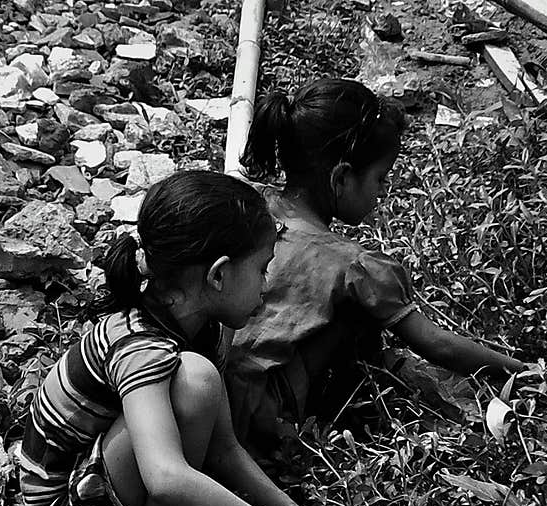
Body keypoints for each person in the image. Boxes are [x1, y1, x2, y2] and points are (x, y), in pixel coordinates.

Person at [15, 170, 353, 506]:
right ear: (218, 276)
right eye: (261, 268)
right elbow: (167, 478)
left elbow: (223, 447)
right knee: (196, 380)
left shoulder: (204, 327)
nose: (267, 284)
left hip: (99, 478)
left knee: (198, 381)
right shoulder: (139, 346)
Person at [225, 78, 529, 445]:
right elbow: (437, 344)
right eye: (380, 179)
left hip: (218, 390)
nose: (381, 194)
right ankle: (350, 416)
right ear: (341, 177)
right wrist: (520, 371)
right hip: (263, 420)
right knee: (359, 313)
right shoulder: (352, 265)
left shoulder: (248, 206)